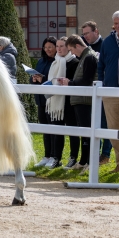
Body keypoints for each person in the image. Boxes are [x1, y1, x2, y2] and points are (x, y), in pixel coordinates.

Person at [98, 10, 119, 172]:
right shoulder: (108, 42)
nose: (118, 26)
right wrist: (102, 84)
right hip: (110, 91)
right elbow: (101, 65)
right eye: (116, 23)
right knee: (114, 130)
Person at [60, 35, 99, 170]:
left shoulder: (89, 57)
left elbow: (87, 80)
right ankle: (83, 162)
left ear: (77, 46)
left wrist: (69, 83)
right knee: (84, 132)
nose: (72, 53)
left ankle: (88, 162)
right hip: (82, 99)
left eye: (72, 50)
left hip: (85, 100)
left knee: (87, 132)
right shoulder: (85, 57)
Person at [44, 37, 78, 168]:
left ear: (68, 47)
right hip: (55, 102)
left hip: (69, 101)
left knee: (72, 131)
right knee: (57, 130)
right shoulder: (55, 62)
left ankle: (73, 157)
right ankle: (56, 158)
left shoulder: (74, 62)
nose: (59, 49)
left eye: (62, 46)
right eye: (57, 46)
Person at [82, 20, 112, 163]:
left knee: (106, 123)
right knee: (95, 123)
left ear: (96, 31)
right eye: (84, 34)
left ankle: (105, 154)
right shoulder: (85, 47)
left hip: (105, 88)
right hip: (91, 91)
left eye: (88, 33)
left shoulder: (105, 45)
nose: (85, 36)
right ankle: (95, 153)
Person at [31, 37, 58, 167]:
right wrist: (34, 79)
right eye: (45, 47)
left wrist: (43, 79)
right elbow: (34, 79)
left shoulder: (57, 61)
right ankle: (46, 156)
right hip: (40, 99)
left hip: (52, 100)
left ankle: (54, 156)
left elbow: (53, 80)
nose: (47, 50)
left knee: (53, 128)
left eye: (50, 47)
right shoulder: (41, 61)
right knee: (44, 128)